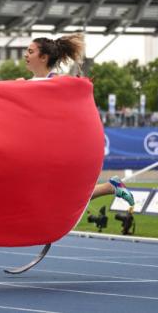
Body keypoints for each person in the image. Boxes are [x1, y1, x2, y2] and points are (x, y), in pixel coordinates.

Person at [23, 34, 135, 207]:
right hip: (34, 149)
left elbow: (77, 110)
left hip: (55, 150)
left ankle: (110, 187)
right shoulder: (24, 84)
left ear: (44, 57)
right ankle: (110, 187)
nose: (26, 55)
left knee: (57, 198)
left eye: (30, 51)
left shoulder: (60, 83)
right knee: (57, 197)